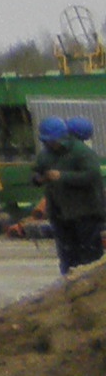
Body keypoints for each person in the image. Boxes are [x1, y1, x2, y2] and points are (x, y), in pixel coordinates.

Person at [40, 117, 106, 277]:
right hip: (67, 213)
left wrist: (61, 177)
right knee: (76, 256)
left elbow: (91, 177)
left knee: (84, 256)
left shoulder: (81, 154)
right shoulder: (58, 154)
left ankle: (81, 283)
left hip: (83, 213)